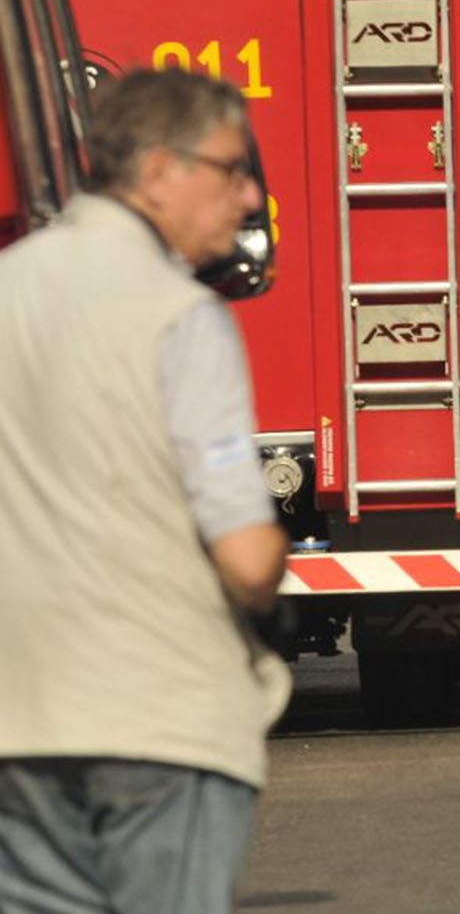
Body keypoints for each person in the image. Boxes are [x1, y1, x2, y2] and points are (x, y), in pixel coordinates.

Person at [0, 70, 290, 912]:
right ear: (159, 170)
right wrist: (273, 568)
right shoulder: (180, 316)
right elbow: (242, 552)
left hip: (18, 719)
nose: (246, 198)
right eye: (231, 169)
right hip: (158, 714)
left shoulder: (9, 287)